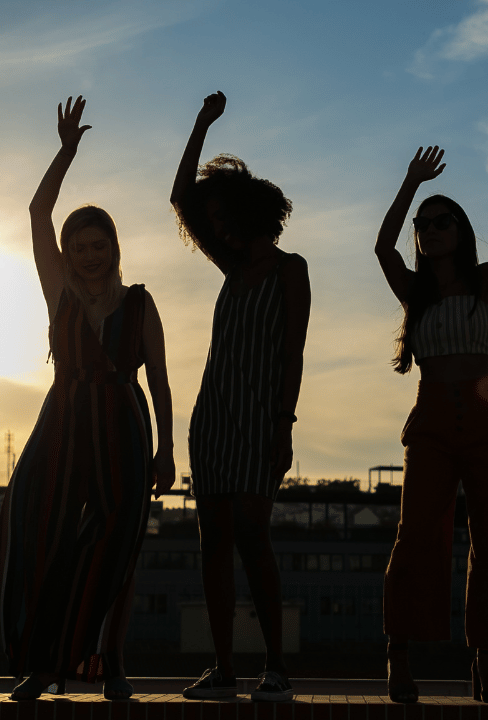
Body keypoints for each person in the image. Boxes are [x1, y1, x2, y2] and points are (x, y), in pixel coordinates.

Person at [0, 96, 176, 702]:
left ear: (113, 249)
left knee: (116, 547)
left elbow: (161, 382)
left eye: (99, 244)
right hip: (64, 428)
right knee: (41, 537)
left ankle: (110, 664)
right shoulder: (61, 297)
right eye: (81, 246)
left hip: (124, 431)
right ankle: (44, 666)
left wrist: (168, 450)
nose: (90, 254)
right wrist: (66, 151)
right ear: (70, 254)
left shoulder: (140, 303)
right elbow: (37, 211)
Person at [375, 146, 488, 704]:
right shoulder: (414, 290)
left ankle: (486, 666)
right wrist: (410, 182)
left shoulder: (483, 280)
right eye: (422, 226)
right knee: (418, 535)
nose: (429, 230)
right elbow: (382, 246)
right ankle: (399, 658)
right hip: (431, 414)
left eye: (441, 220)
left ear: (461, 229)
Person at [169, 91, 310, 703]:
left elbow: (293, 353)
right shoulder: (229, 264)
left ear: (255, 212)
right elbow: (181, 196)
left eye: (227, 213)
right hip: (214, 418)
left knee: (254, 532)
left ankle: (275, 665)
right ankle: (224, 669)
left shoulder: (290, 270)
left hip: (261, 418)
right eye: (216, 215)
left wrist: (283, 424)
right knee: (213, 539)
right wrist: (200, 126)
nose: (218, 223)